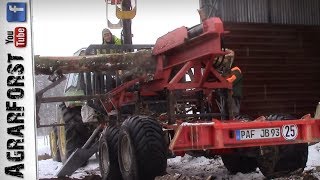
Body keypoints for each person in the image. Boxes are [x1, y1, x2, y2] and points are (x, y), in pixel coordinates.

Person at [215, 49, 243, 116]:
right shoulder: (225, 71)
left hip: (233, 96)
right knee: (225, 114)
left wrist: (221, 80)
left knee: (233, 114)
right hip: (226, 96)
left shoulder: (236, 70)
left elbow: (230, 81)